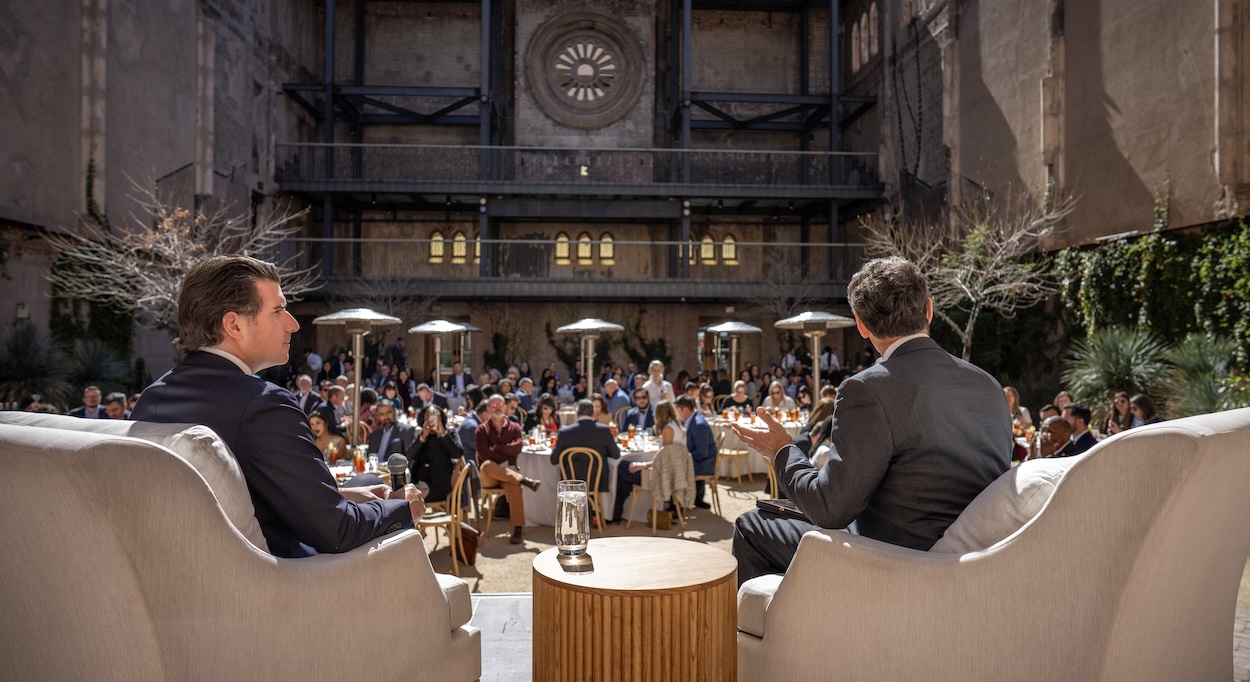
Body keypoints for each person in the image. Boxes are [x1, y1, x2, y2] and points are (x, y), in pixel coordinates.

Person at [730, 256, 1011, 586]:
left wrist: (782, 451)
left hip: (898, 563)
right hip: (976, 563)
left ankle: (791, 635)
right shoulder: (989, 385)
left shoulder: (867, 388)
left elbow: (830, 509)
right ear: (930, 310)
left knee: (751, 526)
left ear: (861, 325)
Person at [131, 255, 424, 558]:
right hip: (282, 584)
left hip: (191, 572)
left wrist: (336, 495)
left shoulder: (152, 399)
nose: (293, 324)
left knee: (366, 482)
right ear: (234, 324)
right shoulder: (263, 405)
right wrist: (402, 509)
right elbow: (337, 532)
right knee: (386, 499)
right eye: (279, 310)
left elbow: (235, 496)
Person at [476, 394, 542, 544]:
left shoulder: (515, 427)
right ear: (488, 409)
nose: (497, 407)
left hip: (508, 471)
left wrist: (498, 448)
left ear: (505, 408)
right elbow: (484, 454)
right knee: (487, 464)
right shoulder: (481, 430)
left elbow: (517, 448)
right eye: (493, 405)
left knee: (515, 485)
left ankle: (518, 529)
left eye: (500, 404)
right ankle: (524, 480)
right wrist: (505, 453)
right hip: (490, 476)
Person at [612, 400, 684, 522]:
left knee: (622, 468)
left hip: (663, 475)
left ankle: (616, 513)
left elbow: (665, 458)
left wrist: (643, 465)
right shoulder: (677, 426)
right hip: (673, 472)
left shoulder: (668, 429)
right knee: (627, 471)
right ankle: (620, 512)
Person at [551, 399, 621, 504]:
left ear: (577, 413)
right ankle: (596, 515)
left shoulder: (565, 432)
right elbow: (616, 455)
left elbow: (553, 460)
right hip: (596, 481)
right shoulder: (604, 430)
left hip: (571, 481)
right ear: (593, 413)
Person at [409, 405, 463, 504]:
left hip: (439, 486)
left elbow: (458, 453)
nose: (431, 419)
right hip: (420, 481)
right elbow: (409, 455)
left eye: (435, 415)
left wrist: (443, 434)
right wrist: (422, 438)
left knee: (408, 495)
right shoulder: (422, 434)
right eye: (428, 416)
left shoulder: (449, 432)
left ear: (441, 417)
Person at [674, 394, 716, 509]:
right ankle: (694, 497)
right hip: (700, 459)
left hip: (704, 464)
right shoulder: (689, 419)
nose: (675, 413)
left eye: (677, 410)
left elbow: (702, 453)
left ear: (685, 410)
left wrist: (683, 458)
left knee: (674, 466)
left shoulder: (699, 425)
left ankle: (676, 505)